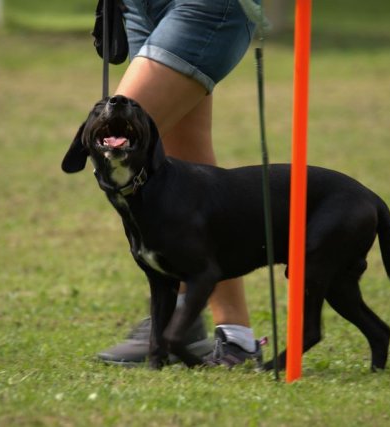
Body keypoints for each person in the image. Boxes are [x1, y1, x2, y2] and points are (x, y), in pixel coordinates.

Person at [96, 0, 263, 367]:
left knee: (113, 136)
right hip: (139, 7)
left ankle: (176, 317)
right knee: (188, 169)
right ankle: (235, 336)